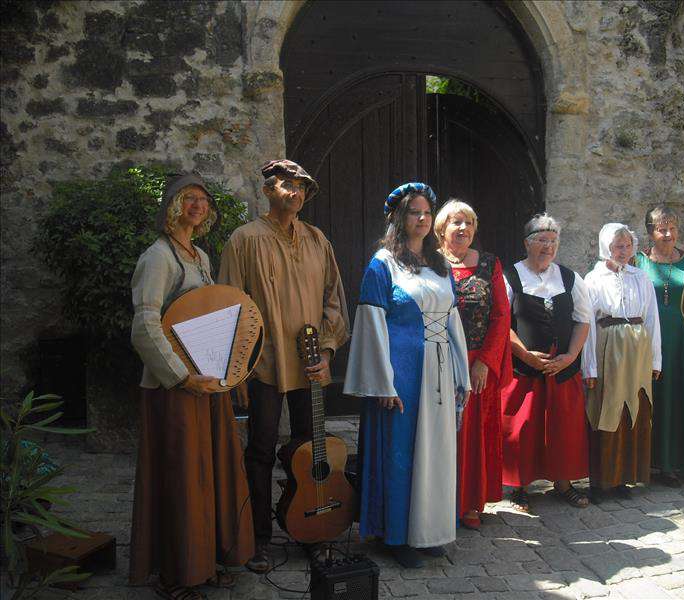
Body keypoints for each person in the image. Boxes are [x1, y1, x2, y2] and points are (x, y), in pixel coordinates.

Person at [218, 160, 350, 571]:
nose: (295, 193)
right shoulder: (244, 240)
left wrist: (326, 353)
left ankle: (311, 529)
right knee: (259, 450)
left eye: (301, 187)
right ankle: (259, 538)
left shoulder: (316, 239)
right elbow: (231, 306)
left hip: (310, 365)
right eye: (286, 186)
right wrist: (238, 369)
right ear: (267, 191)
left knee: (311, 450)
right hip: (264, 366)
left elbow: (334, 300)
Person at [129, 173, 254, 600]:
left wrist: (227, 372)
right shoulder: (158, 258)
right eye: (189, 198)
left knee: (211, 472)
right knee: (184, 476)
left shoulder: (199, 255)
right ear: (173, 206)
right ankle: (177, 573)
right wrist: (181, 376)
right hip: (176, 388)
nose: (197, 205)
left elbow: (211, 315)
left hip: (207, 382)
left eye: (202, 199)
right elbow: (145, 324)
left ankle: (204, 561)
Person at [344, 183, 471, 569]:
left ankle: (428, 531)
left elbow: (452, 321)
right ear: (400, 218)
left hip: (438, 367)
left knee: (435, 452)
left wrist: (460, 374)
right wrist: (382, 383)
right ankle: (397, 535)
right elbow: (370, 323)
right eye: (414, 212)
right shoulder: (382, 264)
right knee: (399, 455)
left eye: (426, 212)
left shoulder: (439, 265)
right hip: (401, 374)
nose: (421, 218)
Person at [501, 214, 594, 510]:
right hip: (525, 368)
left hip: (563, 369)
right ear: (527, 243)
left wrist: (570, 357)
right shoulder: (510, 277)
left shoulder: (569, 277)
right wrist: (526, 355)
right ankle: (518, 486)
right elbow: (501, 324)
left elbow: (583, 320)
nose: (548, 247)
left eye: (553, 241)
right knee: (523, 428)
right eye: (542, 240)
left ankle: (563, 483)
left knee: (563, 427)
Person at [434, 199, 512, 530]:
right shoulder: (428, 263)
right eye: (456, 222)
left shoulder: (489, 264)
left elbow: (501, 314)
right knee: (440, 435)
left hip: (477, 363)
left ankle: (470, 503)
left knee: (473, 435)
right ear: (441, 229)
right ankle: (438, 502)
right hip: (437, 361)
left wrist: (485, 362)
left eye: (468, 222)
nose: (463, 228)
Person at [582, 223, 661, 501]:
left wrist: (656, 359)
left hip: (638, 352)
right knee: (607, 409)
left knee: (634, 409)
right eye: (618, 246)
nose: (623, 251)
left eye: (627, 245)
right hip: (608, 349)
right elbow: (588, 324)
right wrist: (589, 366)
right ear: (606, 247)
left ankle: (623, 478)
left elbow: (652, 318)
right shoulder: (593, 279)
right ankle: (602, 480)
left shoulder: (641, 277)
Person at [637, 206, 684, 487]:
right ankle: (644, 462)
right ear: (650, 232)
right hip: (647, 344)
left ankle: (671, 465)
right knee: (649, 399)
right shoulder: (639, 261)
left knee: (675, 401)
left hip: (680, 343)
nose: (667, 234)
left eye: (672, 228)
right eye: (661, 228)